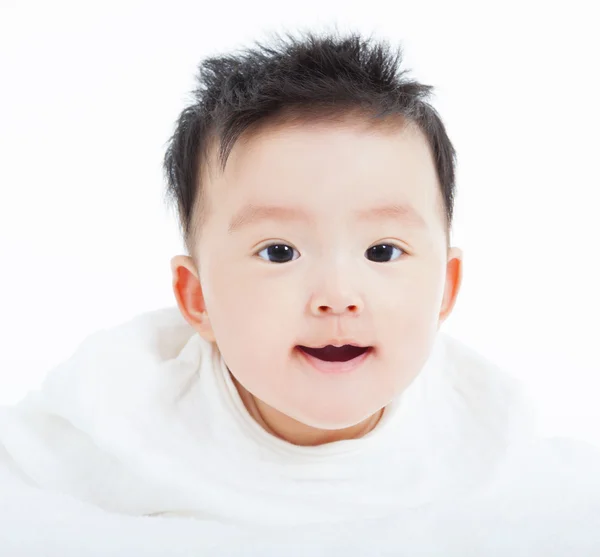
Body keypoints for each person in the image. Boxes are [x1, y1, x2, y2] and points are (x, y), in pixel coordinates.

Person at [1, 30, 599, 556]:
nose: (337, 296)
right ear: (198, 298)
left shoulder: (485, 436)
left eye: (382, 251)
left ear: (445, 287)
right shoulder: (121, 403)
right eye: (279, 252)